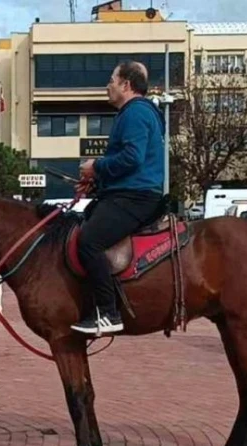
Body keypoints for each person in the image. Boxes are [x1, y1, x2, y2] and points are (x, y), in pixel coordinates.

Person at [72, 60, 165, 336]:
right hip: (131, 193)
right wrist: (96, 182)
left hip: (136, 197)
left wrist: (96, 167)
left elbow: (132, 158)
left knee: (88, 241)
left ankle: (107, 312)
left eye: (112, 79)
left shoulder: (135, 113)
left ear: (126, 84)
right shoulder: (135, 113)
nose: (108, 85)